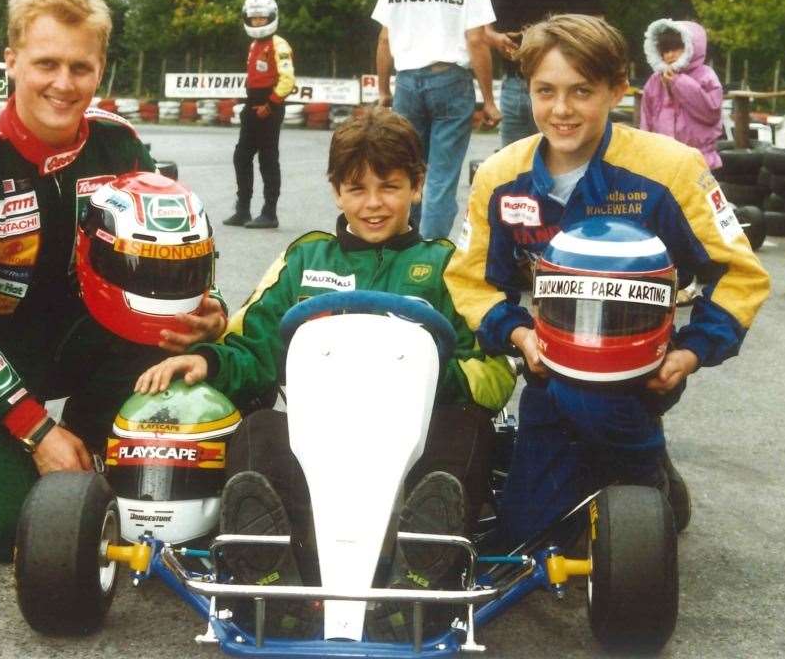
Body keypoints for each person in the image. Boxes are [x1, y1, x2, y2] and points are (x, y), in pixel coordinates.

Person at [136, 107, 515, 640]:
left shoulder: (447, 266)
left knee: (471, 430)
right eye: (357, 188)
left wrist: (438, 373)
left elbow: (495, 374)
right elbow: (256, 348)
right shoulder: (303, 259)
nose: (374, 203)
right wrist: (210, 360)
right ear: (336, 190)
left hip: (414, 441)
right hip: (320, 437)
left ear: (418, 185)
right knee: (258, 429)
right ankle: (270, 571)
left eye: (390, 186)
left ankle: (420, 570)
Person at [0, 0, 227, 562]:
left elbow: (174, 242)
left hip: (94, 341)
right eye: (46, 63)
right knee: (3, 529)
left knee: (137, 490)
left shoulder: (119, 145)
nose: (63, 83)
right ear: (11, 62)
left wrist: (209, 308)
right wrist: (36, 432)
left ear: (100, 68)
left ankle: (93, 428)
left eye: (80, 66)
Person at [444, 15, 770, 544]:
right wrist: (520, 335)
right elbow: (471, 280)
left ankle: (645, 469)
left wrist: (689, 353)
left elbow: (741, 274)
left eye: (581, 91)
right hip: (550, 367)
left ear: (617, 89)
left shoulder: (672, 168)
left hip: (636, 375)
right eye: (545, 91)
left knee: (601, 435)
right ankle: (621, 469)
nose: (562, 109)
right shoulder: (500, 176)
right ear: (527, 90)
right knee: (527, 537)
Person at [372, 0, 501, 240]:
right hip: (450, 80)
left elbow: (385, 36)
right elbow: (477, 39)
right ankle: (430, 257)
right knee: (441, 178)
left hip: (407, 83)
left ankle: (403, 244)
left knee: (407, 171)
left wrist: (384, 89)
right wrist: (488, 100)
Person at [486, 0, 603, 147]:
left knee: (567, 159)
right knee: (515, 168)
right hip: (513, 85)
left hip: (561, 86)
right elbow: (483, 28)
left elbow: (597, 23)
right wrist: (496, 39)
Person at [640, 18, 726, 305]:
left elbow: (710, 112)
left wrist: (679, 83)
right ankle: (677, 279)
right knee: (668, 223)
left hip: (700, 163)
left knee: (699, 224)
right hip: (664, 165)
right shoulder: (654, 81)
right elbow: (647, 119)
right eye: (664, 51)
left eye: (675, 49)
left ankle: (705, 279)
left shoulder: (705, 77)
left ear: (691, 48)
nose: (669, 57)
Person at [223, 0, 296, 229]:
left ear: (271, 18)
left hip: (270, 107)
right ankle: (243, 209)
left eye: (261, 19)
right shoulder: (254, 45)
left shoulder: (279, 44)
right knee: (241, 156)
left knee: (268, 159)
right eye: (253, 19)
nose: (256, 23)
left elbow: (288, 80)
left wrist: (271, 104)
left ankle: (269, 213)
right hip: (252, 106)